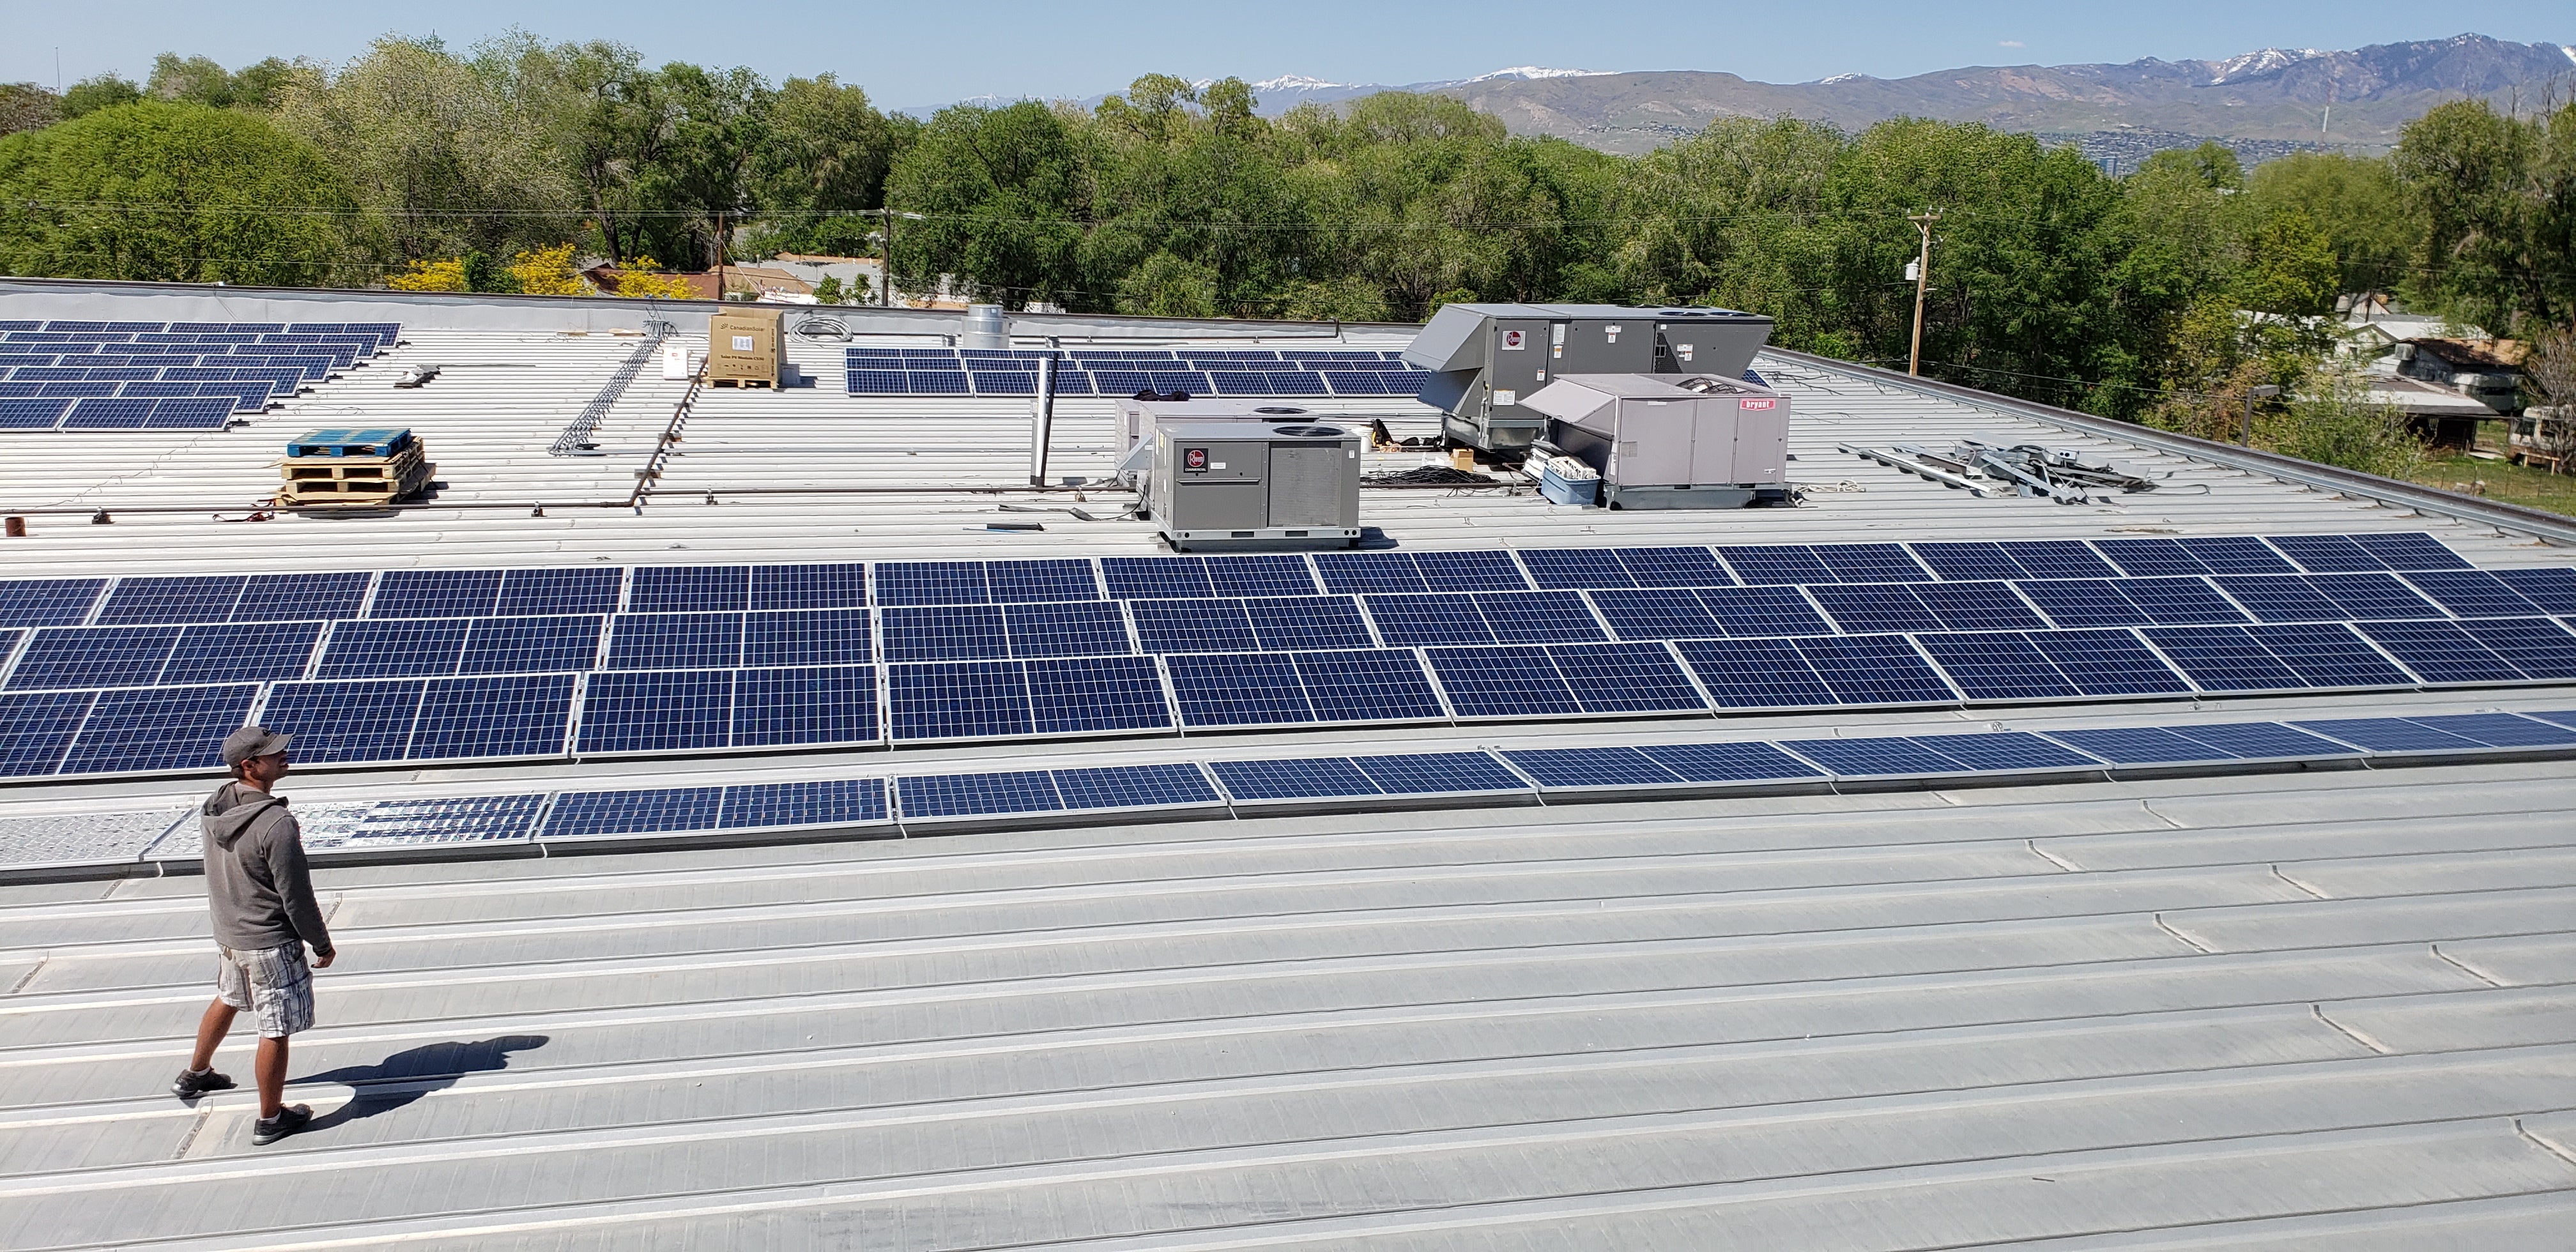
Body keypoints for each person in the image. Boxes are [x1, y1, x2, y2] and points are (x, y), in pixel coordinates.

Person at [171, 726, 336, 1146]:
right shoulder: (276, 824)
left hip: (229, 935)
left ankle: (197, 1074)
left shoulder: (217, 805)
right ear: (249, 766)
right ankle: (270, 1118)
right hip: (268, 943)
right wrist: (321, 942)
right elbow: (296, 896)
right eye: (275, 754)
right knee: (275, 1027)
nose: (286, 756)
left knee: (228, 997)